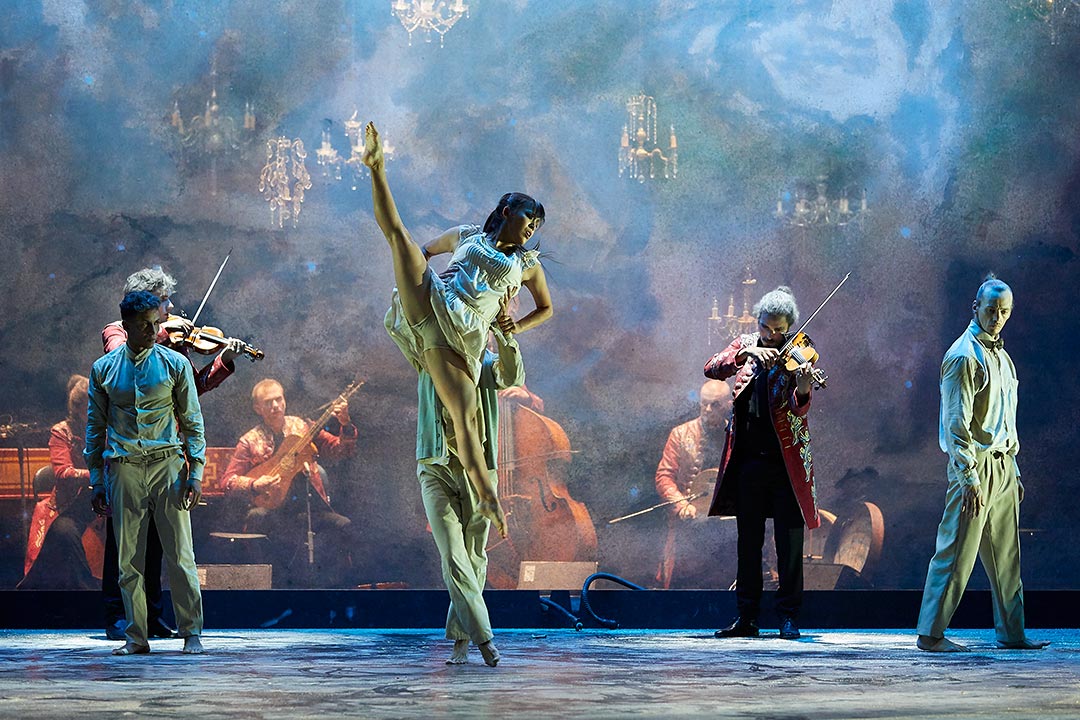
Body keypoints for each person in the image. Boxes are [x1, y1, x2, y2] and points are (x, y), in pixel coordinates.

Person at [361, 121, 553, 541]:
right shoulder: (465, 234)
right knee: (400, 240)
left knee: (465, 421)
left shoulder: (527, 264)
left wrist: (512, 327)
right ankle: (376, 167)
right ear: (507, 211)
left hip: (464, 335)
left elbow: (546, 308)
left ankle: (485, 495)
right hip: (434, 301)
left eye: (536, 227)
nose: (531, 229)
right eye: (528, 219)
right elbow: (425, 252)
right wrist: (417, 269)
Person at [99, 267, 244, 640]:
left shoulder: (173, 352)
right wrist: (162, 336)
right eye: (165, 301)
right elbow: (126, 360)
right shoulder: (118, 331)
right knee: (124, 545)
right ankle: (120, 616)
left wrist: (223, 361)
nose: (172, 307)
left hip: (165, 453)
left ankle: (152, 615)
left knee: (160, 545)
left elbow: (191, 390)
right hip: (127, 455)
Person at [916, 275, 1048, 652]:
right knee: (956, 551)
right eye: (991, 310)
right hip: (973, 466)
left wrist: (1014, 468)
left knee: (1007, 557)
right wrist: (969, 475)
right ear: (975, 307)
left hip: (1003, 465)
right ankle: (930, 634)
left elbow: (1006, 418)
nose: (997, 318)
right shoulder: (963, 355)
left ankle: (1012, 632)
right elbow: (955, 423)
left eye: (1004, 312)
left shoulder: (1003, 358)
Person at [86, 290, 206, 655]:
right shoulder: (104, 369)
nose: (153, 331)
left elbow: (192, 422)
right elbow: (95, 428)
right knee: (128, 559)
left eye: (155, 323)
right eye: (144, 325)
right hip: (124, 468)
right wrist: (96, 480)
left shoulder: (175, 363)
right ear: (126, 326)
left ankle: (192, 633)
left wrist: (195, 471)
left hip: (167, 464)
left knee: (180, 554)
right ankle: (136, 636)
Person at [705, 286, 819, 640]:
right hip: (749, 462)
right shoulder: (745, 345)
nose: (772, 337)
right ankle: (747, 618)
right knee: (748, 542)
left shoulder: (799, 353)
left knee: (789, 543)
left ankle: (788, 617)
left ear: (790, 327)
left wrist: (802, 386)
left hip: (785, 464)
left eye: (779, 330)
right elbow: (711, 368)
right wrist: (747, 355)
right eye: (766, 328)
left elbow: (801, 409)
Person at [419, 317, 524, 667]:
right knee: (453, 556)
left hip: (478, 471)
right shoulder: (427, 353)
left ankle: (460, 642)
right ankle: (484, 638)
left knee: (475, 557)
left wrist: (505, 334)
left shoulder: (484, 361)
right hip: (435, 466)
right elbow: (397, 320)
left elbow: (513, 377)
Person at [220, 378, 359, 587]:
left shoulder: (302, 426)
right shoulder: (249, 441)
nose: (276, 406)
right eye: (268, 402)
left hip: (307, 510)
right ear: (258, 408)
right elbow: (227, 482)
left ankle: (339, 592)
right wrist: (255, 485)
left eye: (279, 399)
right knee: (258, 518)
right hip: (271, 513)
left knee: (344, 526)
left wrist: (345, 425)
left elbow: (340, 449)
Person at [19, 375, 101, 589]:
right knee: (66, 532)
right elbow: (63, 472)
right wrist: (95, 475)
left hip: (98, 505)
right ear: (78, 408)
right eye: (88, 406)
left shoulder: (103, 428)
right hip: (66, 508)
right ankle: (87, 592)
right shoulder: (61, 431)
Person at [653, 379, 733, 589]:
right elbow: (664, 476)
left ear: (729, 404)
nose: (707, 409)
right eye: (703, 404)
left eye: (714, 404)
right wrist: (681, 505)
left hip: (728, 531)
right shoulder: (680, 434)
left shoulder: (739, 436)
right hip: (690, 528)